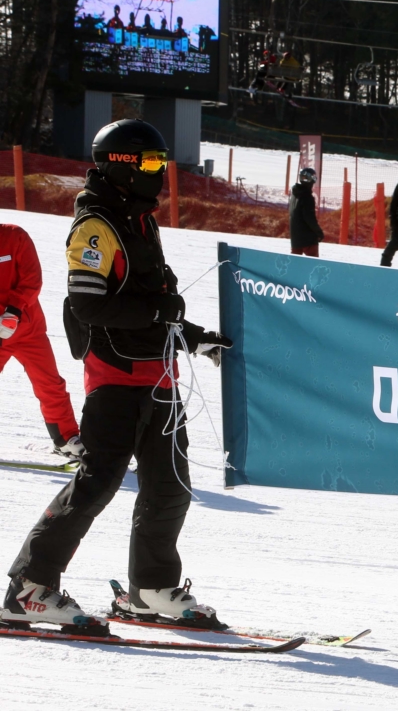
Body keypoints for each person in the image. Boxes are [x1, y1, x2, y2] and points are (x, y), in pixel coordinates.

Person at [2, 119, 233, 631]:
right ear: (123, 165)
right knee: (96, 484)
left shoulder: (139, 220)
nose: (159, 171)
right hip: (115, 378)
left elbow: (155, 300)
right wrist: (159, 314)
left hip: (160, 379)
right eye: (151, 162)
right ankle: (29, 588)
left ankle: (148, 590)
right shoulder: (96, 227)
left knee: (170, 487)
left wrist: (193, 337)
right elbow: (88, 306)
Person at [0, 224, 85, 460]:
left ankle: (66, 439)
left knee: (50, 384)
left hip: (29, 329)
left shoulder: (14, 236)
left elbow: (32, 278)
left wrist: (13, 312)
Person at [289, 167, 323, 257]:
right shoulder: (307, 197)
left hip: (295, 237)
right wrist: (318, 232)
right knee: (312, 266)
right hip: (308, 238)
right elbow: (309, 217)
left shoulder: (294, 194)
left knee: (295, 265)